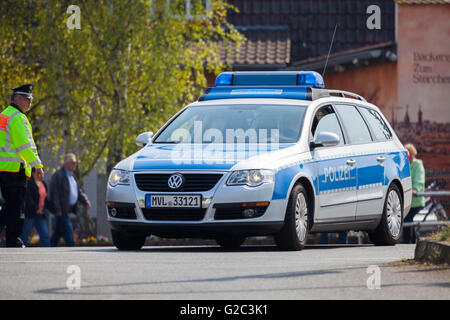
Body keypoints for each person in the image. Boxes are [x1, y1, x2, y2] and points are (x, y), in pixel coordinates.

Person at [0, 84, 44, 247]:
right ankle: (14, 239)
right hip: (15, 168)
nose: (29, 102)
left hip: (4, 169)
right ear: (16, 98)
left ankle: (12, 239)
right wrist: (37, 165)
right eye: (26, 98)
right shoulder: (18, 117)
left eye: (31, 99)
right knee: (16, 207)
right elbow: (24, 145)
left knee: (10, 205)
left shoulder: (3, 115)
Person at [49, 153, 91, 247]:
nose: (75, 164)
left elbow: (78, 192)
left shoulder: (72, 176)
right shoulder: (58, 175)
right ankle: (71, 247)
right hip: (62, 209)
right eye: (73, 162)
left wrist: (86, 201)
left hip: (68, 208)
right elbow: (54, 193)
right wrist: (57, 209)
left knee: (58, 232)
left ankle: (50, 246)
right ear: (66, 163)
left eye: (76, 162)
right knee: (68, 230)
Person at [20, 167, 51, 247]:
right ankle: (20, 251)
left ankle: (48, 253)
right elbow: (28, 198)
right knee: (24, 236)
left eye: (42, 173)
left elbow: (45, 199)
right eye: (38, 173)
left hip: (41, 215)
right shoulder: (29, 183)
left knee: (45, 236)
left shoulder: (43, 184)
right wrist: (35, 209)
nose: (40, 175)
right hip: (30, 215)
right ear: (33, 173)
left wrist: (48, 209)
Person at [403, 143, 425, 244]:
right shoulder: (404, 165)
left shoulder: (417, 164)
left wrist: (415, 189)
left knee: (407, 219)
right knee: (407, 219)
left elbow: (419, 179)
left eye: (409, 154)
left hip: (416, 201)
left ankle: (409, 242)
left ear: (412, 154)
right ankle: (410, 242)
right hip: (407, 200)